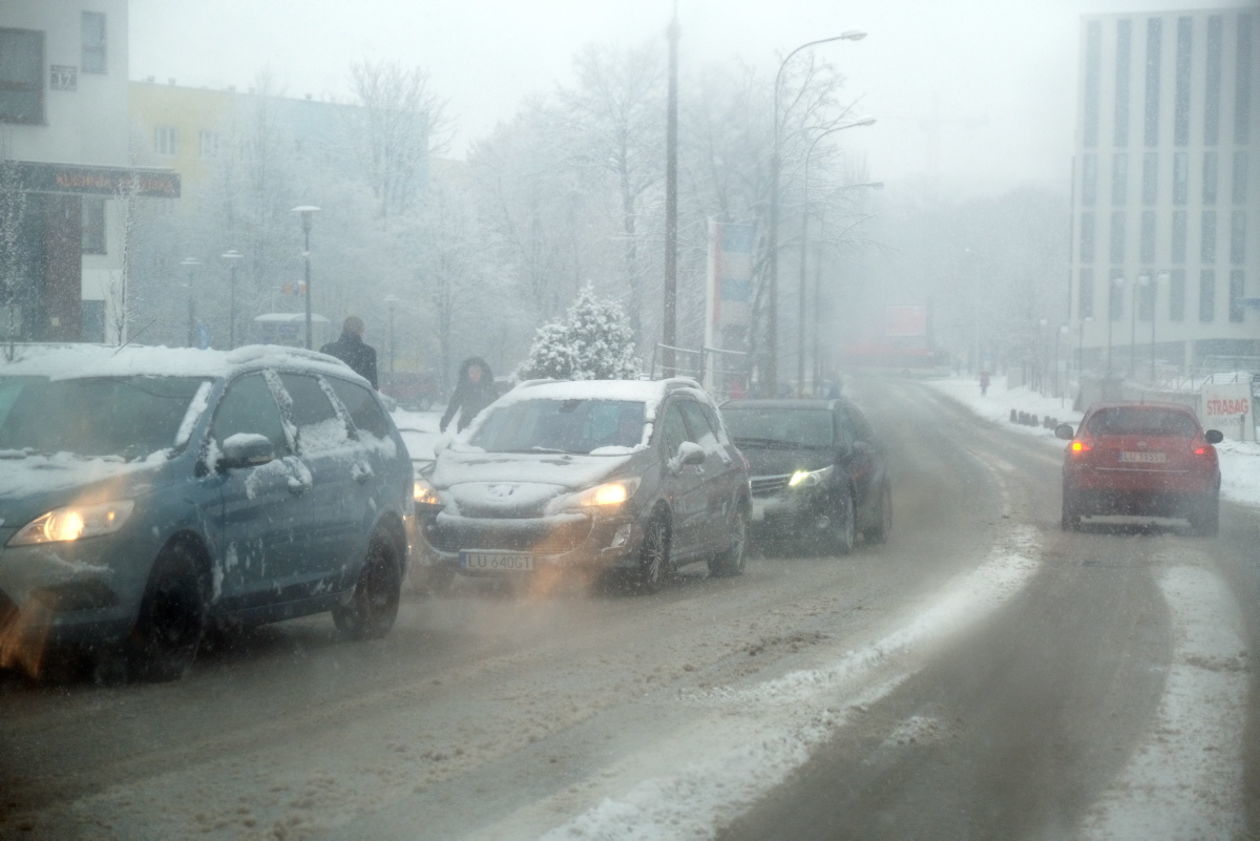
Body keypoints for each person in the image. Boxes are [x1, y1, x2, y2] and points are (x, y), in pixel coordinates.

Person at [320, 316, 379, 389]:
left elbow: (321, 378)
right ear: (361, 331)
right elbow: (373, 384)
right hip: (357, 396)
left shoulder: (326, 349)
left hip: (331, 395)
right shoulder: (368, 352)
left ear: (343, 330)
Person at [440, 356, 496, 433]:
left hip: (486, 424)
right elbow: (454, 404)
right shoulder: (462, 388)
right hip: (466, 423)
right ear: (467, 373)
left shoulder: (489, 388)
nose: (474, 375)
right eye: (472, 372)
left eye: (477, 372)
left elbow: (496, 405)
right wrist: (445, 421)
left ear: (482, 373)